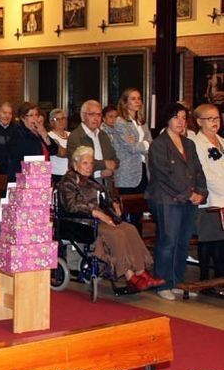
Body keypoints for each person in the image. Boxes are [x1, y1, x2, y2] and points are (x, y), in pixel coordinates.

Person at [59, 146, 164, 291]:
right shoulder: (67, 182)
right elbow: (72, 205)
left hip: (99, 220)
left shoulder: (91, 182)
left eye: (91, 163)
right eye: (85, 163)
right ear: (75, 164)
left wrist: (113, 204)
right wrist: (96, 212)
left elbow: (105, 198)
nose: (89, 167)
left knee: (130, 229)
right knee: (117, 234)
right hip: (81, 222)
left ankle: (141, 272)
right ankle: (129, 275)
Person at [146, 103, 208, 301]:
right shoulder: (159, 144)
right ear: (168, 120)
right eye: (176, 118)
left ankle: (176, 281)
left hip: (189, 200)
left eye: (183, 118)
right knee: (168, 241)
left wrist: (200, 192)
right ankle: (162, 283)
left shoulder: (188, 144)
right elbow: (164, 175)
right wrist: (187, 194)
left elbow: (198, 170)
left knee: (182, 243)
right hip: (167, 199)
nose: (181, 122)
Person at [192, 104, 224, 295]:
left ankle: (219, 279)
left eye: (217, 118)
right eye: (210, 119)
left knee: (221, 241)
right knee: (209, 240)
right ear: (199, 122)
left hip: (222, 200)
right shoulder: (197, 143)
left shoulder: (221, 141)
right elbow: (205, 174)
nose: (215, 122)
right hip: (210, 199)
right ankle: (205, 280)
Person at [67, 100, 118, 182]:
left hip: (105, 182)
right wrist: (105, 164)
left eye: (98, 115)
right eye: (91, 114)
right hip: (84, 183)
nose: (96, 118)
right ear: (82, 116)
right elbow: (78, 162)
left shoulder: (103, 135)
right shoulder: (75, 136)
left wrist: (111, 169)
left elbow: (115, 159)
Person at [7, 102, 58, 180]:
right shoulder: (17, 132)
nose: (35, 118)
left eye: (36, 114)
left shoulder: (40, 131)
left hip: (41, 175)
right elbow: (19, 155)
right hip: (24, 178)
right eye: (31, 115)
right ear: (23, 118)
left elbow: (54, 151)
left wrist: (45, 135)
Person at [47, 108, 69, 183]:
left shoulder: (71, 135)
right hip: (57, 175)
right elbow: (61, 153)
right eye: (57, 119)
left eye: (63, 118)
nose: (61, 121)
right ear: (51, 122)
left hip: (71, 174)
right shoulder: (49, 136)